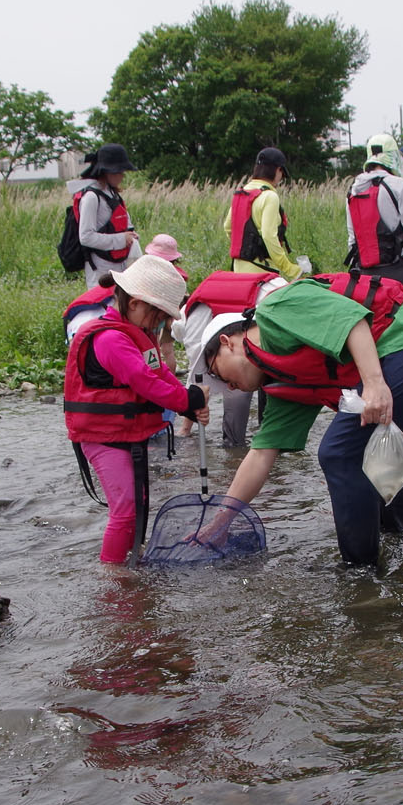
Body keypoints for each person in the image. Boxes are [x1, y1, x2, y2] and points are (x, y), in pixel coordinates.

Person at [200, 273, 403, 566]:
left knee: (340, 454)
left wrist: (374, 383)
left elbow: (351, 320)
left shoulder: (275, 308)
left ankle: (361, 576)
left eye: (217, 373)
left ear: (227, 342)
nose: (227, 387)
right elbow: (261, 455)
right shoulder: (281, 383)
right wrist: (221, 522)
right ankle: (398, 539)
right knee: (374, 446)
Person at [63, 256, 208, 564]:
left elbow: (159, 374)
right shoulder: (111, 340)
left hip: (126, 432)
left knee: (139, 502)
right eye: (157, 316)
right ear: (136, 304)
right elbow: (144, 382)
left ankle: (131, 557)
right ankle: (112, 575)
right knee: (126, 506)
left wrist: (188, 401)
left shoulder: (137, 335)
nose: (158, 324)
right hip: (102, 438)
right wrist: (186, 401)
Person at [179, 268, 288, 446]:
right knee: (259, 382)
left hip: (272, 313)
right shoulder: (201, 308)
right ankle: (270, 444)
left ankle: (235, 449)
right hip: (276, 299)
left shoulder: (191, 325)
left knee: (237, 388)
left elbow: (198, 378)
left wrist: (187, 424)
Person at [345, 134, 403, 296]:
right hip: (400, 268)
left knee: (375, 320)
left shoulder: (354, 189)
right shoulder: (399, 185)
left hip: (367, 273)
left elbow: (352, 237)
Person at [226, 147, 304, 281]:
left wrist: (246, 248)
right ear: (278, 170)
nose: (280, 179)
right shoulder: (270, 197)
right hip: (262, 273)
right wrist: (290, 269)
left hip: (238, 272)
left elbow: (228, 228)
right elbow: (269, 236)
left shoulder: (242, 192)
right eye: (282, 174)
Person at [73, 143, 142, 288]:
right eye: (119, 171)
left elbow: (123, 223)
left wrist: (131, 236)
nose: (122, 176)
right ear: (106, 172)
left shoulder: (112, 193)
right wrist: (122, 239)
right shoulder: (91, 197)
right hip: (99, 269)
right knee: (103, 307)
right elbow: (85, 237)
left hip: (120, 264)